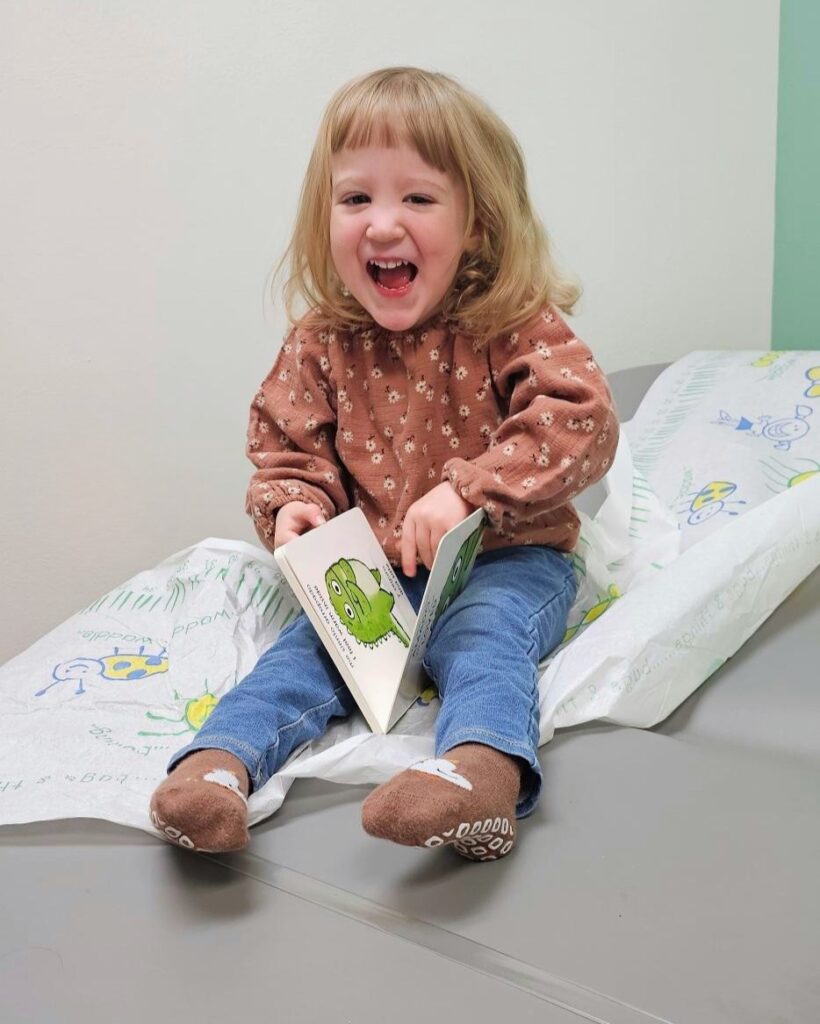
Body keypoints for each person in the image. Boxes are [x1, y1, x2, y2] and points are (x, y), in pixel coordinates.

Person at [149, 67, 619, 861]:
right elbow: (286, 444)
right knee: (304, 655)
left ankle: (480, 772)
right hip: (376, 569)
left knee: (482, 637)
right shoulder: (323, 340)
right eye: (356, 199)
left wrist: (468, 489)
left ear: (476, 221)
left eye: (419, 199)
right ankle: (214, 769)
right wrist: (294, 504)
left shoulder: (510, 321)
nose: (382, 224)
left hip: (511, 555)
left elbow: (580, 419)